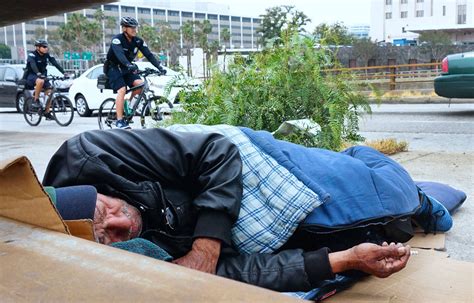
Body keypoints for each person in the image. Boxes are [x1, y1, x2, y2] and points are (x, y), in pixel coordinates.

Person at [42, 127, 453, 292]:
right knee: (365, 242)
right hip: (249, 233)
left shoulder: (88, 155)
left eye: (103, 208)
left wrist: (206, 247)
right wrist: (345, 261)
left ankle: (413, 193)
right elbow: (238, 274)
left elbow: (215, 150)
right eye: (108, 236)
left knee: (389, 200)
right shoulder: (130, 265)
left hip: (257, 165)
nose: (119, 221)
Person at [105, 16, 166, 129]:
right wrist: (129, 65)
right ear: (124, 28)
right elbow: (120, 55)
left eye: (135, 27)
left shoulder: (138, 41)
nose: (134, 29)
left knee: (139, 85)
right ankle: (119, 121)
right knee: (122, 90)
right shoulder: (117, 40)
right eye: (131, 27)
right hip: (113, 67)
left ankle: (128, 104)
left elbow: (149, 55)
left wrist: (159, 67)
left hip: (127, 67)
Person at [25, 39, 66, 120]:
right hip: (32, 75)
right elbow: (33, 65)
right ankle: (36, 100)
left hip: (43, 76)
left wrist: (63, 72)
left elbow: (55, 63)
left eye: (46, 46)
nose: (46, 48)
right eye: (44, 47)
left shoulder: (47, 55)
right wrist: (38, 73)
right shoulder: (32, 55)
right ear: (38, 47)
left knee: (50, 92)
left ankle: (47, 112)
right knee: (40, 81)